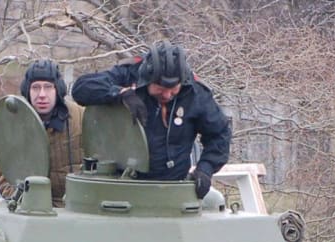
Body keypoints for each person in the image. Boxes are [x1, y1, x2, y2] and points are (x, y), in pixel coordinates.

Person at [71, 40, 232, 193]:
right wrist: (119, 93)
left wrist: (205, 168)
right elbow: (81, 89)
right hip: (121, 183)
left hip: (171, 185)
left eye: (173, 89)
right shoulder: (129, 74)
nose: (167, 95)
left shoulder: (195, 93)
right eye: (160, 88)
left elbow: (220, 133)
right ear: (148, 79)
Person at [0, 58, 84, 207]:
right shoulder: (15, 124)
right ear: (27, 91)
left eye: (48, 87)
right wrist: (27, 202)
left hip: (75, 207)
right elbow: (5, 181)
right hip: (32, 210)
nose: (42, 94)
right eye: (35, 87)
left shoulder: (80, 117)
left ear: (58, 89)